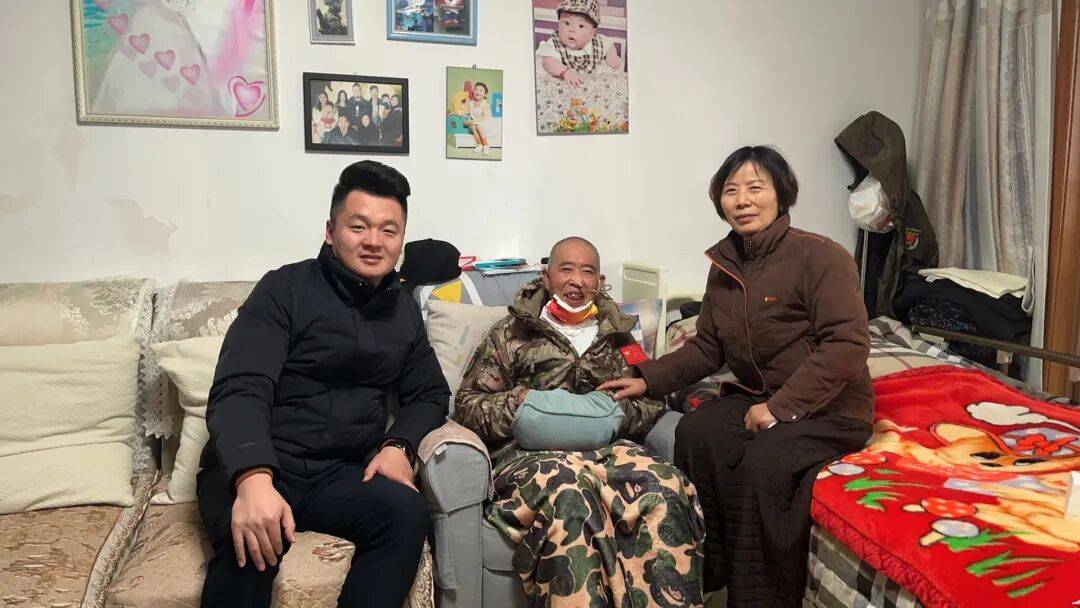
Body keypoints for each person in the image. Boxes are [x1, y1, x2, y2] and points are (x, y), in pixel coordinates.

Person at [600, 146, 874, 607]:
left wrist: (780, 408)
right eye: (731, 190)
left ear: (780, 194)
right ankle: (711, 573)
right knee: (697, 431)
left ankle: (758, 597)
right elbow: (708, 346)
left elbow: (847, 345)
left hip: (830, 405)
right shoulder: (725, 266)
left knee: (764, 462)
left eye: (755, 188)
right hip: (760, 395)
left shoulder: (820, 256)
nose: (743, 200)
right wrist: (648, 378)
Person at [197, 161, 449, 608]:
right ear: (331, 231)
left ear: (401, 241)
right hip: (263, 463)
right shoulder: (283, 289)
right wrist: (253, 479)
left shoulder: (403, 310)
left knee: (407, 514)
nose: (374, 241)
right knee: (253, 543)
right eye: (359, 226)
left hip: (336, 473)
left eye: (388, 230)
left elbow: (430, 393)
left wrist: (399, 445)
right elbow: (240, 388)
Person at [454, 237, 705, 608]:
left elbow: (653, 399)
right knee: (571, 495)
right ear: (546, 277)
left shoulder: (620, 336)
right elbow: (468, 405)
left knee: (667, 485)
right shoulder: (510, 333)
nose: (577, 280)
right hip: (529, 456)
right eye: (566, 269)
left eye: (588, 272)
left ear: (599, 282)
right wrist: (523, 405)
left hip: (608, 451)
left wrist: (614, 413)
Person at [536, 0, 624, 88]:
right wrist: (565, 72)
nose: (572, 30)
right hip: (565, 84)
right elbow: (549, 62)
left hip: (589, 84)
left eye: (581, 26)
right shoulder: (554, 43)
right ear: (558, 23)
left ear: (592, 33)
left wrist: (612, 55)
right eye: (567, 23)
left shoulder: (597, 42)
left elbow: (608, 44)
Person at [463, 82, 493, 155]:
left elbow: (485, 118)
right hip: (474, 124)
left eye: (480, 91)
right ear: (474, 92)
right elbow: (466, 114)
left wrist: (476, 122)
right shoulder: (471, 103)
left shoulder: (485, 104)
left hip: (484, 124)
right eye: (476, 90)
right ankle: (480, 144)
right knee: (473, 126)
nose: (478, 92)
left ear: (484, 94)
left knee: (478, 126)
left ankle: (486, 145)